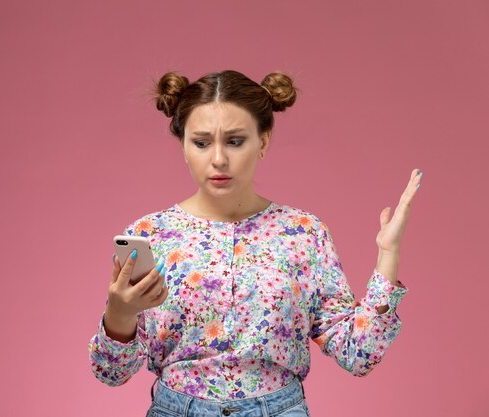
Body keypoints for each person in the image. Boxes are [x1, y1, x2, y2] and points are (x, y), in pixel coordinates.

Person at [88, 70, 420, 417]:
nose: (218, 159)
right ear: (183, 146)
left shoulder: (303, 232)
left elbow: (357, 354)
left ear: (263, 141)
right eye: (201, 143)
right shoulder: (152, 234)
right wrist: (120, 314)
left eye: (235, 141)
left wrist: (388, 254)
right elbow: (111, 373)